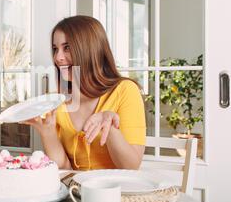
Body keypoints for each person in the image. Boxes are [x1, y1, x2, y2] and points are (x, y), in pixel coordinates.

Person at [23, 15, 146, 171]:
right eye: (55, 49)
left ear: (90, 49)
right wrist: (47, 132)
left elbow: (130, 167)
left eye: (66, 47)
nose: (57, 57)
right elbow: (64, 168)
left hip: (116, 192)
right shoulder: (57, 100)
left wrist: (109, 126)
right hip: (75, 192)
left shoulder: (125, 91)